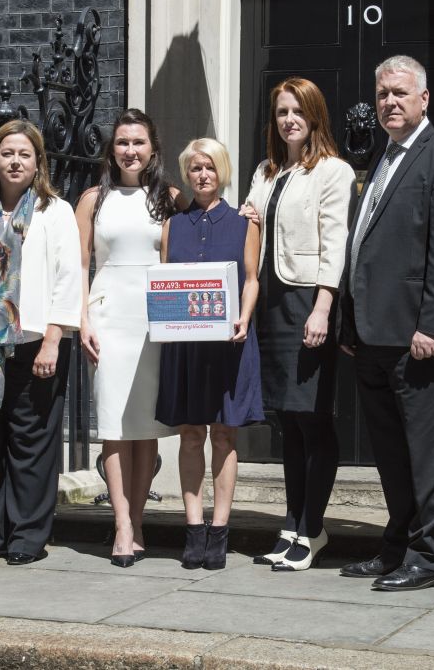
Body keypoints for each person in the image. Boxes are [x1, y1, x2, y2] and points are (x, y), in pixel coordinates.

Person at [338, 55, 434, 591]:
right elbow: (366, 247)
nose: (389, 102)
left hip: (417, 338)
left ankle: (431, 558)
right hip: (372, 336)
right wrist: (352, 323)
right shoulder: (383, 158)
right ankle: (397, 546)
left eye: (399, 93)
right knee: (391, 455)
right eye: (382, 95)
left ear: (424, 99)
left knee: (427, 453)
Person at [0, 119, 82, 565]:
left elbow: (70, 277)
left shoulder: (56, 211)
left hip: (34, 342)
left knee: (31, 442)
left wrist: (54, 338)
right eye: (7, 152)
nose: (15, 160)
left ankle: (28, 534)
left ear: (38, 162)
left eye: (25, 154)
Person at [242, 77, 355, 571]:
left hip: (306, 299)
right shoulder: (265, 172)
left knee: (312, 417)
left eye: (298, 112)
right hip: (269, 301)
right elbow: (251, 226)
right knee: (288, 420)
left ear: (314, 117)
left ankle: (313, 527)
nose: (289, 120)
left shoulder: (334, 171)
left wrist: (323, 308)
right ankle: (290, 523)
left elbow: (336, 243)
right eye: (282, 111)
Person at [76, 109, 180, 567]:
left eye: (138, 142)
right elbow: (79, 265)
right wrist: (82, 320)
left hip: (155, 315)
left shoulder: (170, 199)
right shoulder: (92, 199)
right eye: (122, 142)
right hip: (109, 312)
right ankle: (120, 524)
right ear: (111, 149)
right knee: (115, 427)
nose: (130, 151)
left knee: (146, 427)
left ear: (153, 148)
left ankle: (139, 521)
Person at [155, 138, 263, 570]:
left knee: (223, 433)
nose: (203, 175)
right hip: (185, 344)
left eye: (210, 168)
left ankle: (220, 530)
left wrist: (245, 316)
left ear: (223, 172)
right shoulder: (172, 224)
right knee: (190, 433)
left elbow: (251, 278)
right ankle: (193, 528)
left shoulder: (244, 223)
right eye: (195, 168)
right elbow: (163, 282)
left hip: (229, 343)